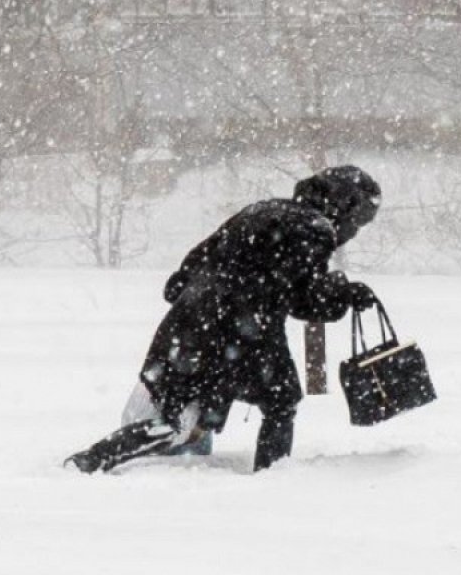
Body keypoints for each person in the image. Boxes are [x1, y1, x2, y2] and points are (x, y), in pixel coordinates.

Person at [65, 165, 383, 474]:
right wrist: (343, 292)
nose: (353, 233)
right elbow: (303, 298)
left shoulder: (261, 209)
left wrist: (205, 301)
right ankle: (273, 476)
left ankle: (95, 459)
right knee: (281, 402)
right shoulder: (315, 229)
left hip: (189, 322)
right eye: (358, 223)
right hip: (245, 328)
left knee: (182, 412)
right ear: (344, 208)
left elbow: (184, 274)